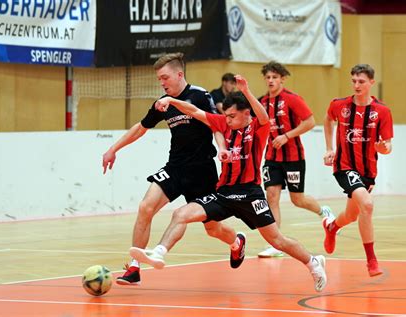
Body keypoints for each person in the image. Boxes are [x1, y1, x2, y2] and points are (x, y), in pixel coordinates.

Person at [129, 75, 328, 293]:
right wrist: (172, 100)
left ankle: (312, 262)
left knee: (276, 240)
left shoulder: (259, 128)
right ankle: (159, 252)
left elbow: (262, 115)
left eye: (233, 116)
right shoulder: (223, 123)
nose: (228, 120)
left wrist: (247, 90)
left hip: (250, 194)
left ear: (246, 114)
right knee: (181, 214)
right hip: (224, 193)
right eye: (227, 115)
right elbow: (194, 111)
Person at [102, 52, 235, 285]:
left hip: (202, 171)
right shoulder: (163, 103)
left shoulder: (200, 96)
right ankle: (134, 268)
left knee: (213, 228)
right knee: (146, 207)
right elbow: (141, 128)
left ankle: (236, 241)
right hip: (175, 168)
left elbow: (217, 126)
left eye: (165, 78)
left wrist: (222, 148)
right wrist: (113, 149)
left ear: (179, 74)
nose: (162, 83)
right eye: (159, 80)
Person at [257, 62, 335, 258]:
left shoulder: (292, 99)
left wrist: (287, 136)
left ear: (282, 79)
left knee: (297, 199)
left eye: (275, 77)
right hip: (271, 158)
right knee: (271, 197)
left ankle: (322, 211)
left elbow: (310, 121)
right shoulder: (262, 102)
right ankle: (276, 243)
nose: (271, 80)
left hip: (293, 157)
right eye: (268, 77)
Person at [322, 64, 393, 277]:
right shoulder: (339, 105)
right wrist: (329, 148)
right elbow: (327, 120)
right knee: (368, 206)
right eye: (353, 81)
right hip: (344, 166)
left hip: (368, 171)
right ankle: (371, 260)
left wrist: (383, 148)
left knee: (353, 215)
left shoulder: (382, 111)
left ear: (371, 82)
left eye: (361, 81)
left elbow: (387, 145)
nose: (356, 85)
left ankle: (332, 227)